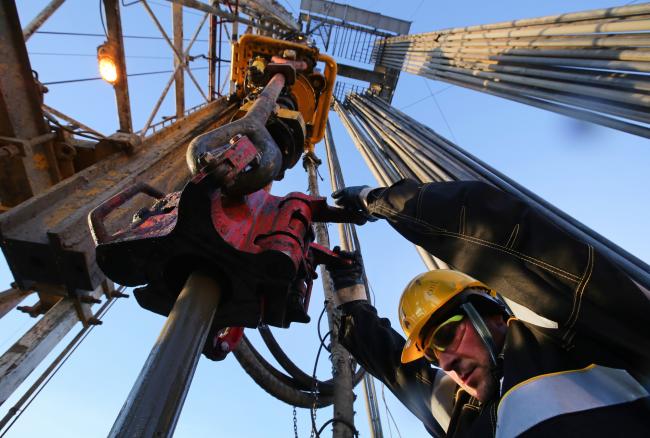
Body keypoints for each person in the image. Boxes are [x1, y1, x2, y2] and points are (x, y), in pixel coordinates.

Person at [326, 179, 650, 437]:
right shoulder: (459, 413)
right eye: (432, 355)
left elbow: (495, 234)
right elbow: (393, 365)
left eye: (446, 336)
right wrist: (350, 294)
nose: (446, 362)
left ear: (489, 312)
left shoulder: (570, 336)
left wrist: (379, 200)